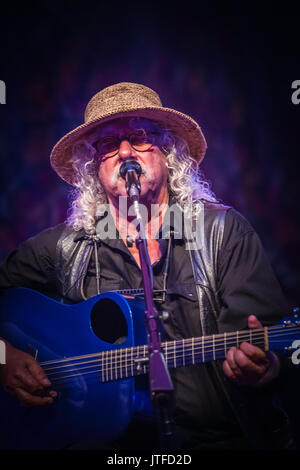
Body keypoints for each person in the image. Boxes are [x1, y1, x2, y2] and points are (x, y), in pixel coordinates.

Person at [0, 82, 295, 450]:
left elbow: (278, 349)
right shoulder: (63, 247)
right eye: (108, 144)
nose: (125, 151)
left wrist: (266, 368)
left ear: (167, 152)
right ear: (94, 166)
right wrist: (5, 357)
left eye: (139, 136)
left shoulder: (222, 233)